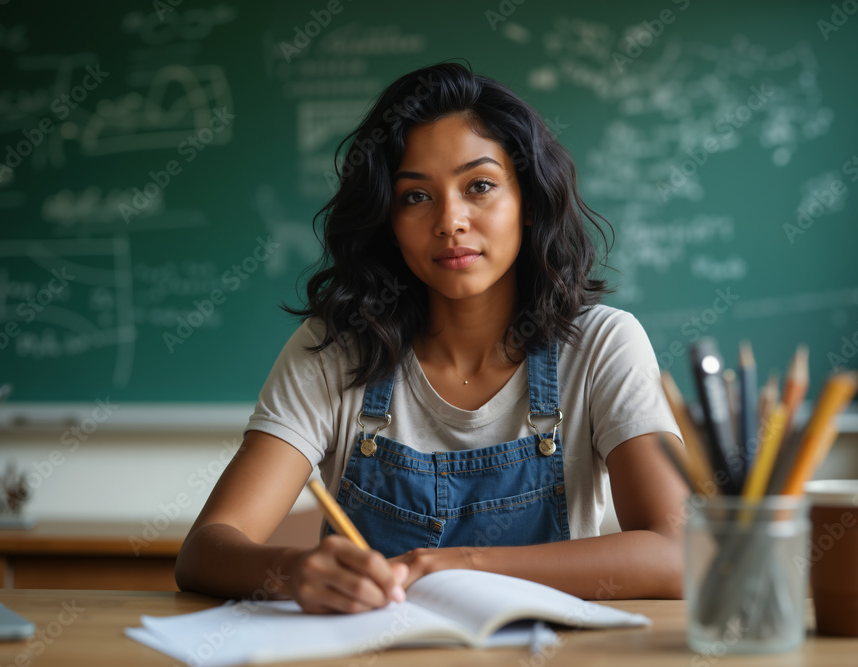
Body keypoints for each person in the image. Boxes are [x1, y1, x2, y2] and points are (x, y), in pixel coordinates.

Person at [175, 62, 687, 613]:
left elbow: (677, 552)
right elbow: (204, 552)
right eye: (416, 197)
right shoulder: (333, 349)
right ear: (388, 222)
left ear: (531, 203)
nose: (450, 221)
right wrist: (296, 571)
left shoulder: (601, 346)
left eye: (480, 187)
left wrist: (463, 564)